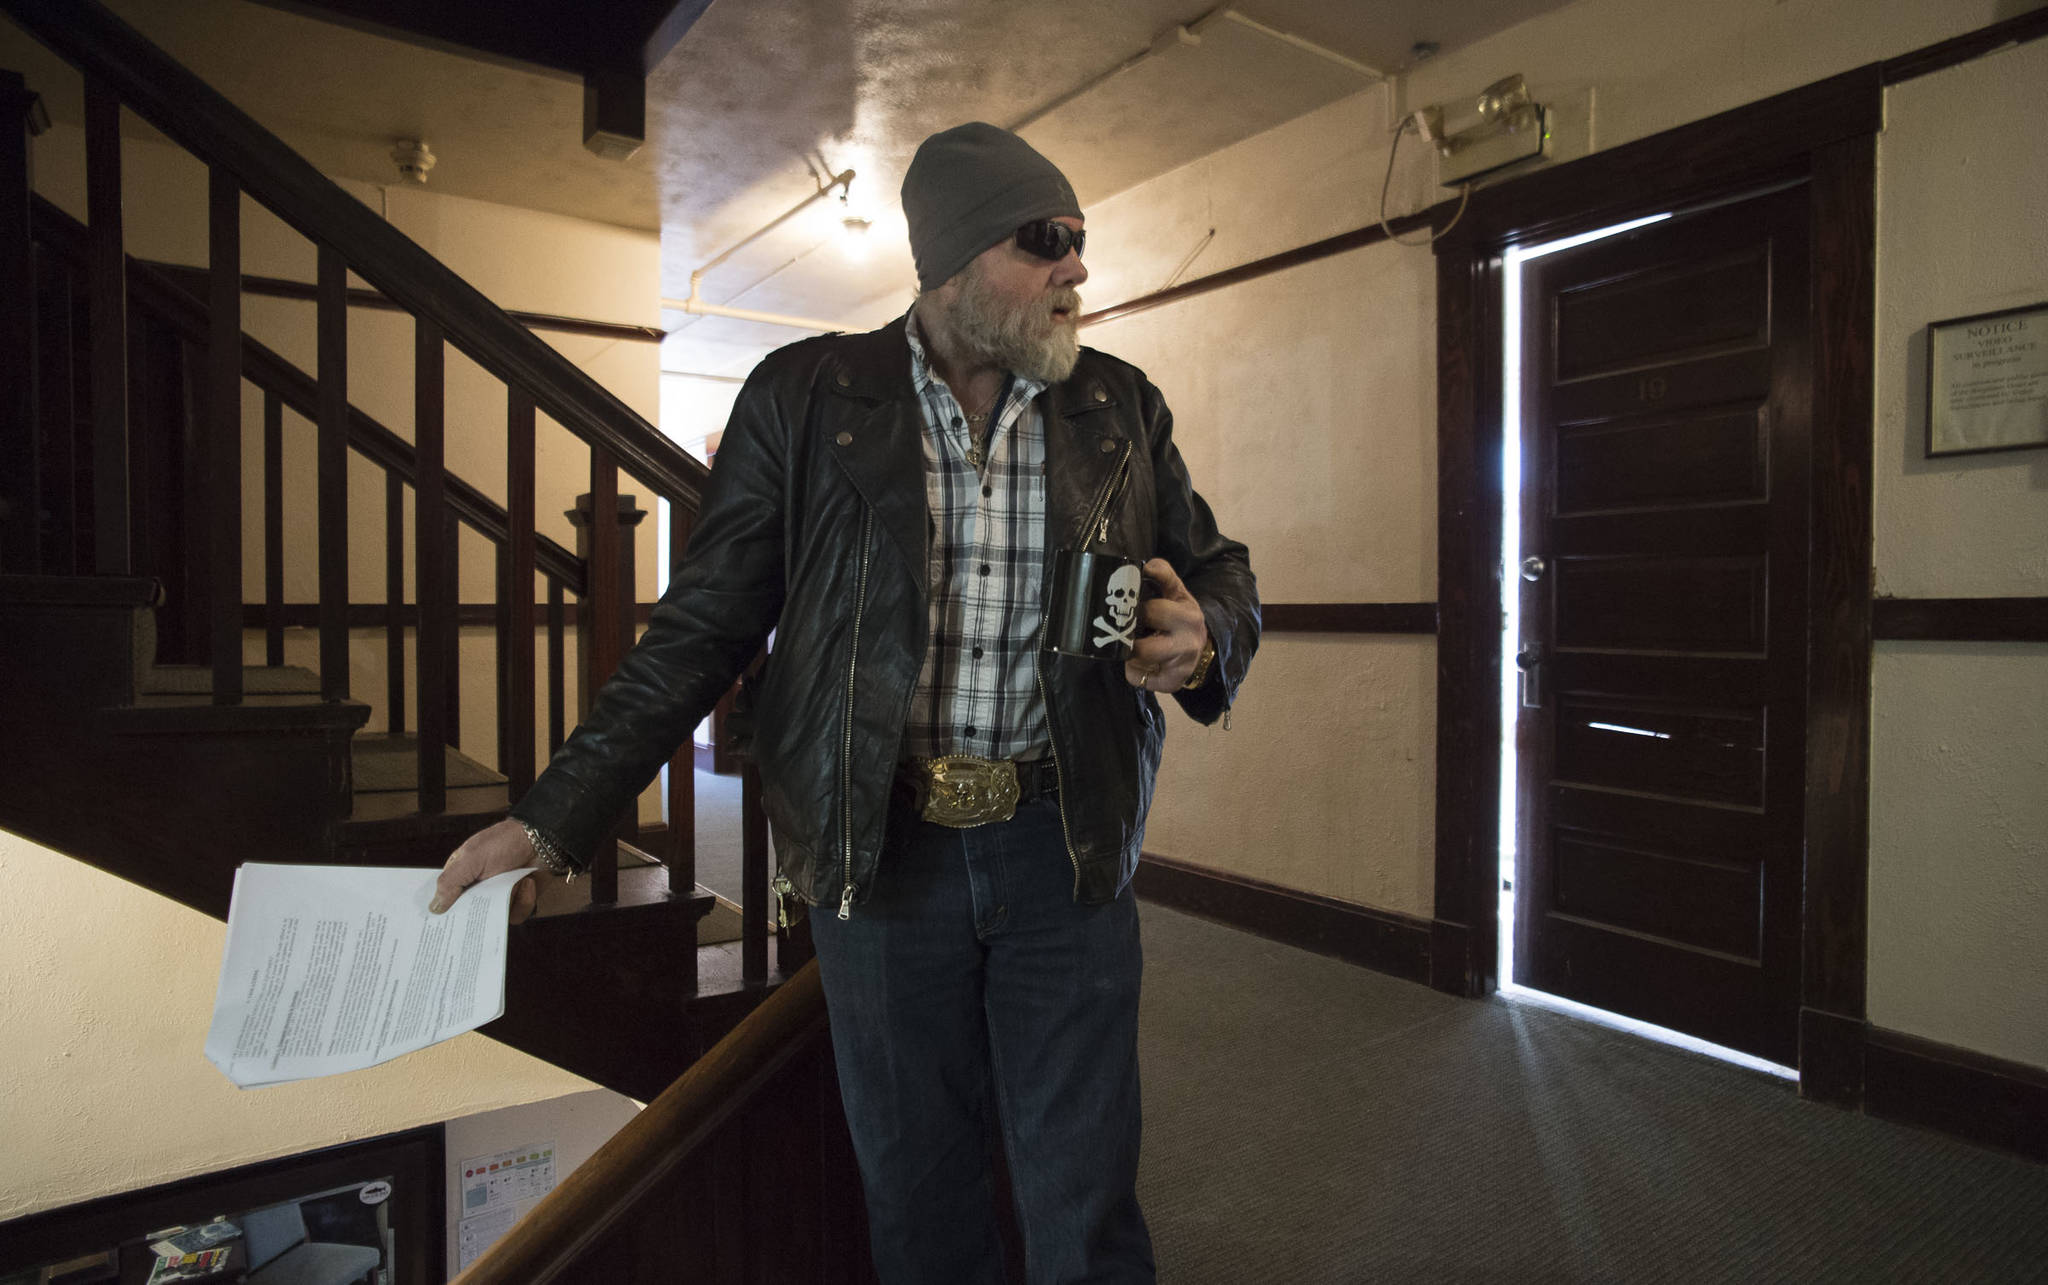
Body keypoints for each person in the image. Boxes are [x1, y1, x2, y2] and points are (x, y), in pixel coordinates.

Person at [431, 121, 1259, 1284]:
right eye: (1045, 240)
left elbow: (1219, 569)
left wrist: (1208, 629)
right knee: (919, 1198)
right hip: (880, 855)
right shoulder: (808, 398)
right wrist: (551, 818)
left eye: (1081, 240)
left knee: (1083, 1193)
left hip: (1059, 850)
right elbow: (700, 626)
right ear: (956, 261)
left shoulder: (1116, 407)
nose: (1077, 266)